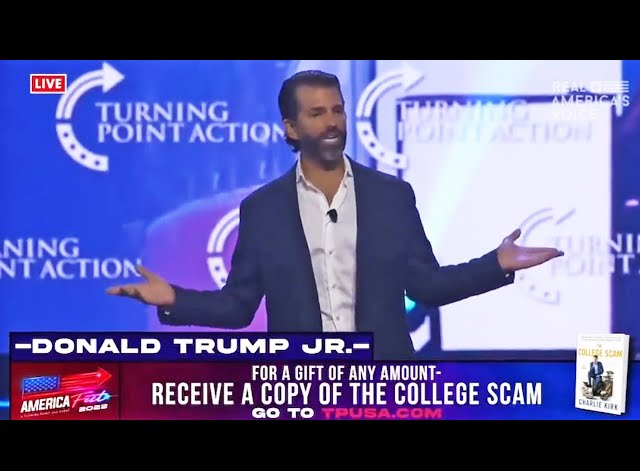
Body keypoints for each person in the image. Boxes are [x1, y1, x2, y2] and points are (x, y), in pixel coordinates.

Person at [107, 70, 564, 360]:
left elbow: (426, 285)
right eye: (317, 113)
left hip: (384, 383)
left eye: (338, 111)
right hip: (301, 389)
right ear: (291, 128)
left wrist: (496, 264)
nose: (332, 122)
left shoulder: (391, 196)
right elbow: (239, 307)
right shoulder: (263, 210)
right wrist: (174, 298)